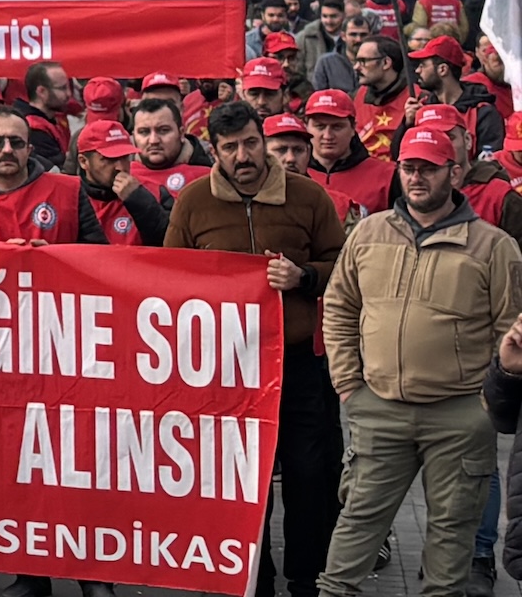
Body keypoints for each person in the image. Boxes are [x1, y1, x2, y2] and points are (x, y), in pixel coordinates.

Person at [320, 125, 522, 597]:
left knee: (452, 535)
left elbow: (509, 331)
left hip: (459, 416)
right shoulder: (368, 233)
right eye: (408, 168)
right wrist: (349, 383)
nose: (416, 178)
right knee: (356, 523)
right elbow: (340, 306)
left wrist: (484, 408)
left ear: (453, 172)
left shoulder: (494, 247)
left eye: (428, 169)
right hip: (379, 408)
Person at [165, 101, 346, 597]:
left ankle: (306, 577)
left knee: (310, 475)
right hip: (228, 370)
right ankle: (253, 578)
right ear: (214, 151)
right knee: (247, 486)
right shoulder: (194, 203)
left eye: (250, 142)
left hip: (297, 366)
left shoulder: (308, 197)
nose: (243, 155)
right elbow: (169, 280)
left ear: (262, 138)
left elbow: (344, 267)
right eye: (230, 148)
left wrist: (303, 276)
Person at [0, 109, 105, 244]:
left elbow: (97, 259)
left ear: (29, 149)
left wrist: (55, 256)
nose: (7, 149)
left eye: (16, 142)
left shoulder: (71, 191)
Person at [75, 121, 172, 246]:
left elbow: (172, 245)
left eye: (125, 157)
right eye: (110, 159)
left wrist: (140, 202)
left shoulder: (155, 192)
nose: (120, 167)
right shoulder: (70, 199)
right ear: (84, 162)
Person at [305, 89, 395, 214]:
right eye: (320, 126)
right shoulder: (290, 173)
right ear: (306, 128)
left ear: (353, 128)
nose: (327, 135)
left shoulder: (388, 176)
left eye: (337, 127)